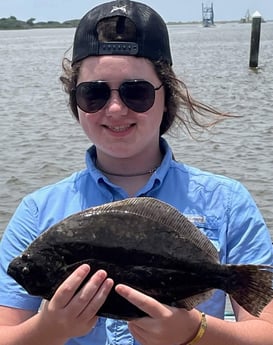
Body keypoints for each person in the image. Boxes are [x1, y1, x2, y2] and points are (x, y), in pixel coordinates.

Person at [0, 0, 272, 344]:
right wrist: (48, 329)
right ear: (75, 101)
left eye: (136, 92)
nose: (115, 108)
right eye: (93, 94)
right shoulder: (37, 212)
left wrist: (195, 332)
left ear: (165, 95)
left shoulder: (228, 202)